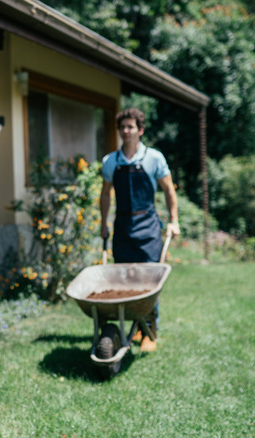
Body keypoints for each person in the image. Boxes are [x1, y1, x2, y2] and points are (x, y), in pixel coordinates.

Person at [99, 108, 180, 352]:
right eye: (123, 127)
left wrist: (173, 220)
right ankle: (135, 329)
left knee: (148, 281)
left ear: (140, 130)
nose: (126, 131)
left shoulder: (154, 158)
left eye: (131, 127)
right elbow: (105, 194)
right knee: (125, 280)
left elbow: (168, 190)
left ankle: (149, 333)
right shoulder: (111, 161)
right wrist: (103, 223)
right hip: (122, 227)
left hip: (148, 227)